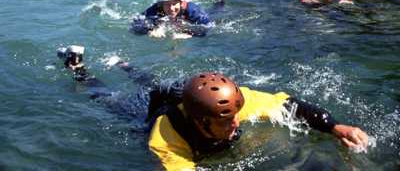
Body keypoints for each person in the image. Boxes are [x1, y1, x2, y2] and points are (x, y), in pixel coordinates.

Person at [147, 72, 369, 171]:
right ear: (201, 123)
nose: (236, 122)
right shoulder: (167, 138)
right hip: (143, 118)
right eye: (225, 123)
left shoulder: (233, 105)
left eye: (237, 115)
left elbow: (290, 106)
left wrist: (335, 127)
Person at [131, 0, 212, 38]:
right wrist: (150, 31)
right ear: (160, 5)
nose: (171, 8)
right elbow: (136, 24)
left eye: (174, 4)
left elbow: (208, 27)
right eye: (167, 5)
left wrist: (189, 33)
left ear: (181, 2)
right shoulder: (156, 9)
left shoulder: (192, 10)